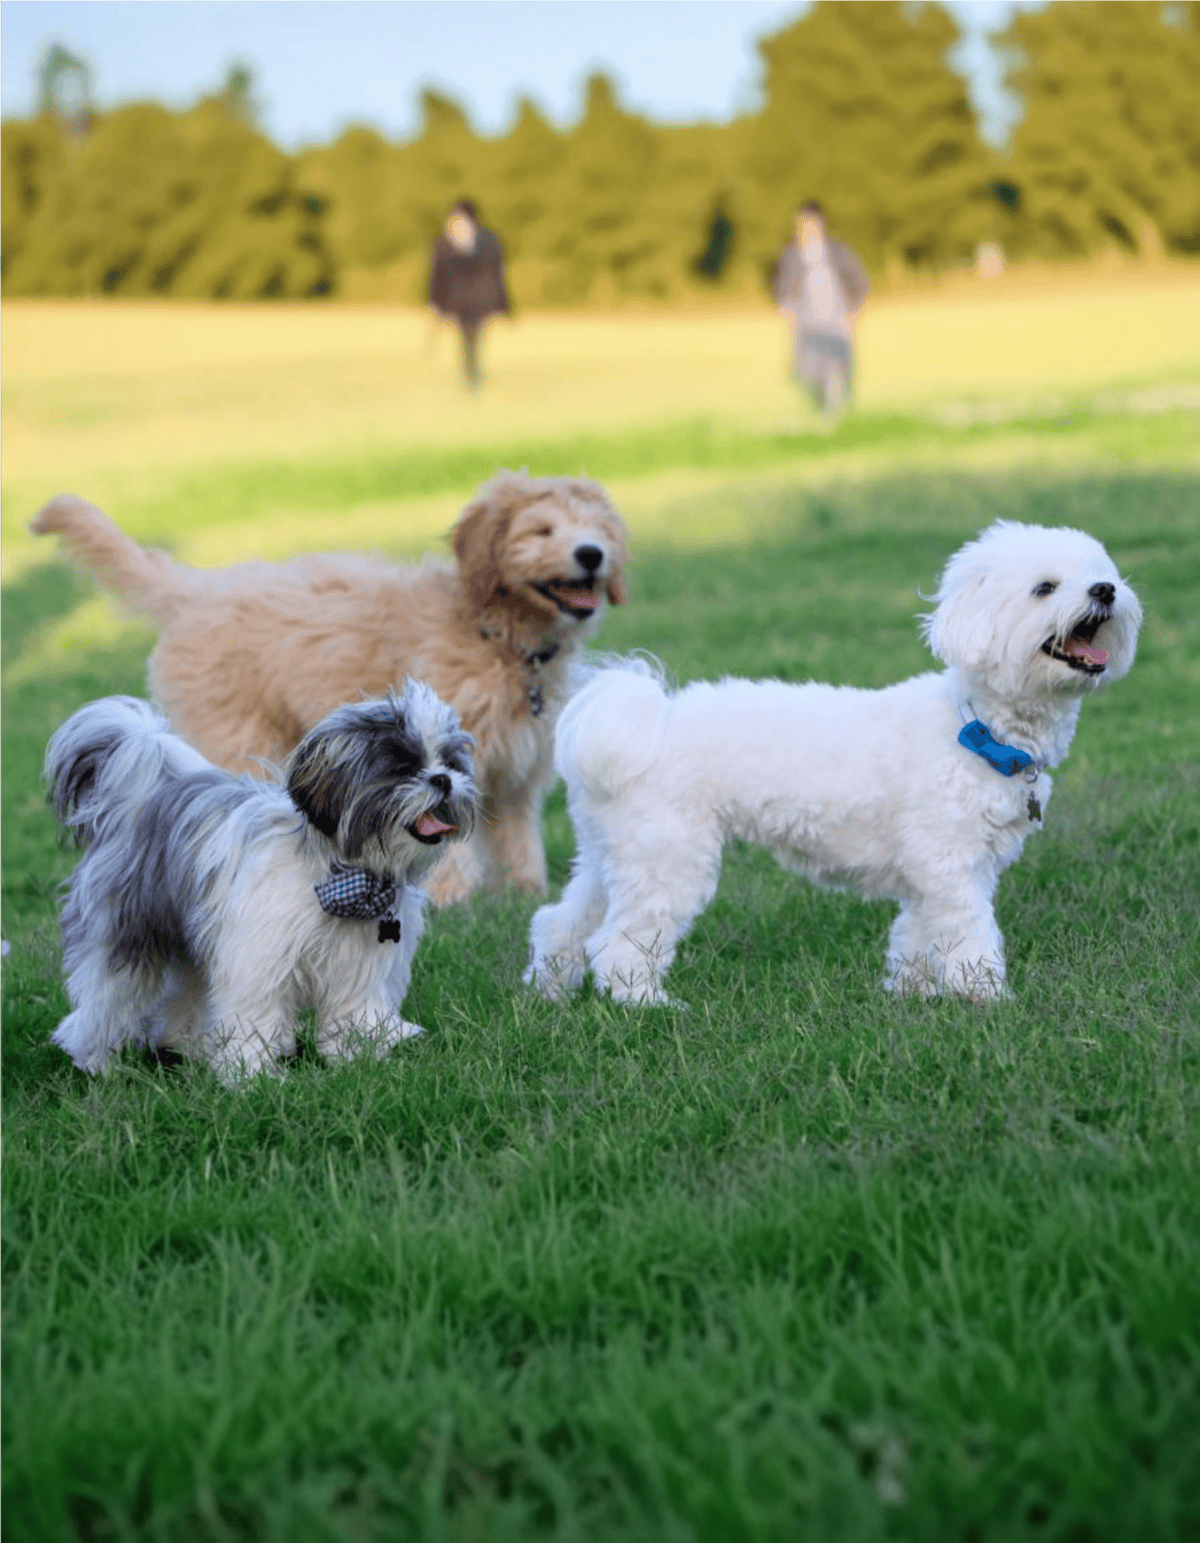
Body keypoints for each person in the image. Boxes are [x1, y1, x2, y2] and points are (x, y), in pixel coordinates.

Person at [772, 200, 870, 419]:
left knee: (841, 369)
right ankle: (824, 409)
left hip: (837, 321)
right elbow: (785, 287)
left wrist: (856, 307)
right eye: (802, 224)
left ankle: (842, 410)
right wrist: (787, 310)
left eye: (811, 223)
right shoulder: (792, 254)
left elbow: (858, 279)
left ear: (821, 223)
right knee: (809, 372)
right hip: (808, 324)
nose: (806, 229)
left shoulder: (837, 251)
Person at [427, 199, 511, 389]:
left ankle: (472, 373)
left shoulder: (488, 240)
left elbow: (496, 273)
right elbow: (437, 276)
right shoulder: (443, 243)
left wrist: (503, 302)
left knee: (473, 336)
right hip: (457, 300)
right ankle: (471, 374)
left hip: (481, 298)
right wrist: (436, 303)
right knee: (467, 336)